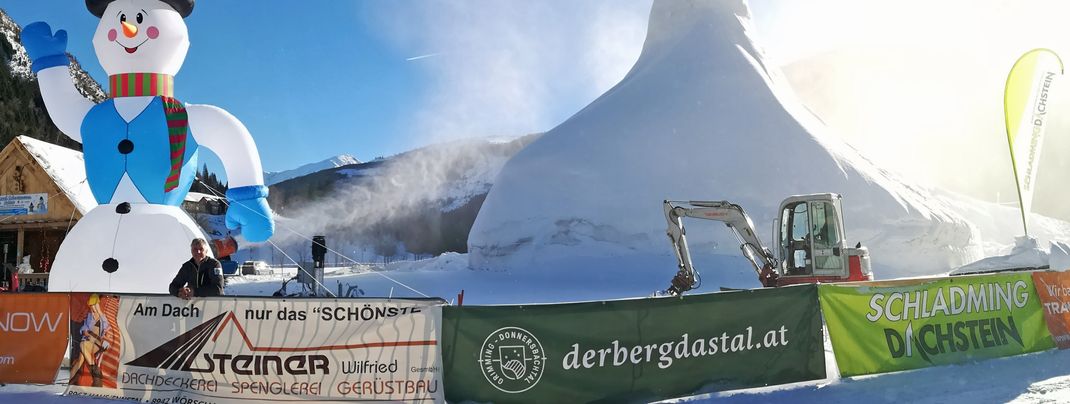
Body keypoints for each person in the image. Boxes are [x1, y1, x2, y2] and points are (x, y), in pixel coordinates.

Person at [70, 294, 109, 387]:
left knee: (82, 345)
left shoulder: (103, 317)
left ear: (97, 304)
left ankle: (95, 373)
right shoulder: (89, 316)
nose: (92, 307)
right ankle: (71, 381)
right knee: (79, 361)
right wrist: (84, 331)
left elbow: (106, 328)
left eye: (94, 304)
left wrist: (99, 313)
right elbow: (83, 328)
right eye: (90, 305)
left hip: (97, 343)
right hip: (87, 341)